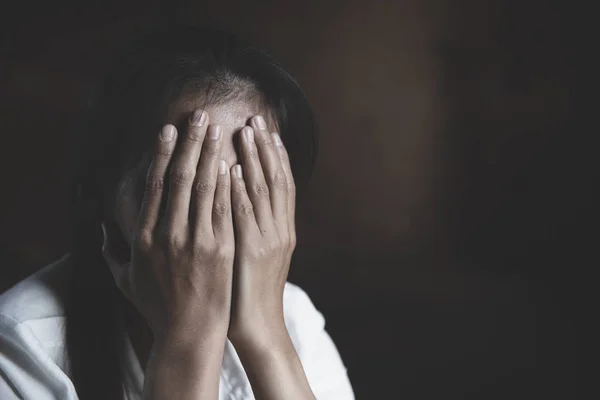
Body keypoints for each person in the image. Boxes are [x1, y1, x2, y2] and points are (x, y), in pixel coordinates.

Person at [0, 24, 354, 400]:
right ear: (106, 189)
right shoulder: (22, 346)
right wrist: (188, 338)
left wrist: (267, 338)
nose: (211, 238)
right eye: (182, 190)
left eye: (247, 190)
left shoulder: (294, 318)